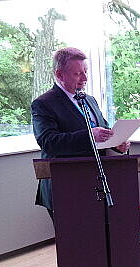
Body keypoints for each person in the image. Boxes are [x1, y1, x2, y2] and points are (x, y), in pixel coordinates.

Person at [32, 47, 129, 220]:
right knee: (75, 244)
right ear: (60, 74)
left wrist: (117, 144)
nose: (84, 78)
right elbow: (48, 141)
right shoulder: (43, 103)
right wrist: (90, 136)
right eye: (78, 74)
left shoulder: (88, 100)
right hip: (65, 186)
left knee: (97, 242)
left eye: (86, 72)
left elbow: (103, 130)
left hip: (95, 184)